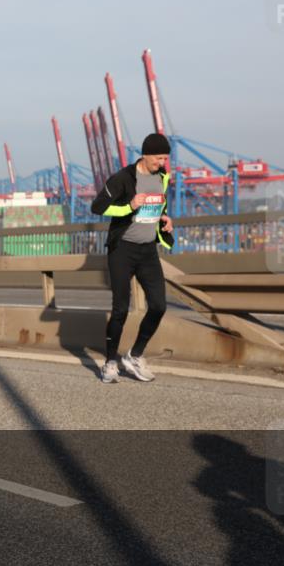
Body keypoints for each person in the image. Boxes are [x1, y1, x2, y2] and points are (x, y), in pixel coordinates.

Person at [91, 132, 174, 384]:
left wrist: (165, 220)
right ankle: (109, 362)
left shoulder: (162, 178)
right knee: (120, 309)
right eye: (159, 158)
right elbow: (98, 207)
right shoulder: (123, 178)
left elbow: (159, 206)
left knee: (159, 305)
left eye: (165, 158)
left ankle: (134, 355)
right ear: (146, 154)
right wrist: (129, 206)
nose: (162, 163)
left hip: (148, 250)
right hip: (122, 250)